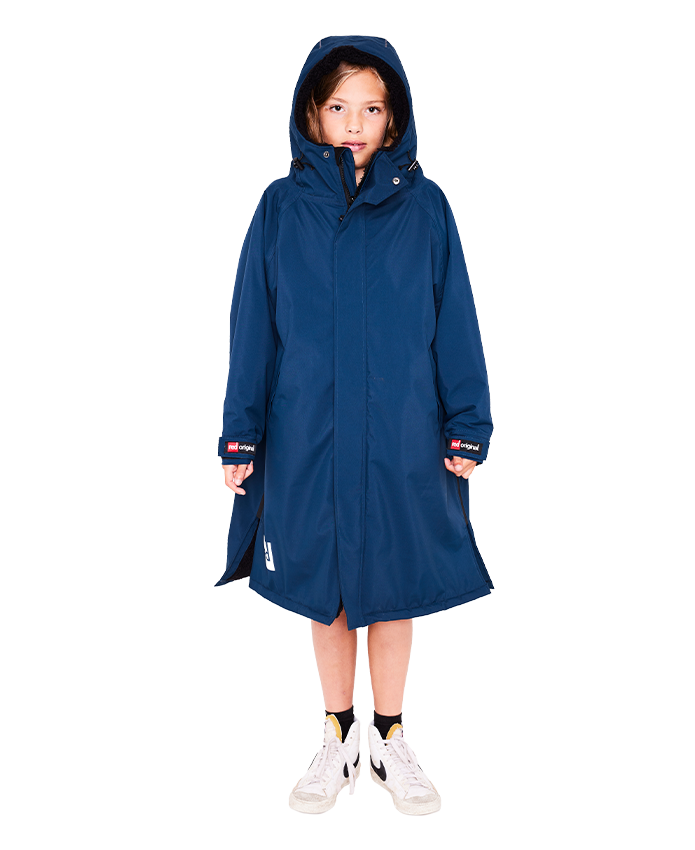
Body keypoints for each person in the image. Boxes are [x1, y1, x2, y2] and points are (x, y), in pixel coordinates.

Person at [216, 36, 493, 816]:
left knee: (394, 588)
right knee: (327, 590)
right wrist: (240, 434)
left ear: (394, 117)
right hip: (308, 434)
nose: (354, 123)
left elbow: (455, 319)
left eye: (372, 109)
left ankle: (390, 737)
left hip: (403, 433)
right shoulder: (281, 209)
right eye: (339, 107)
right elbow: (254, 327)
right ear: (311, 112)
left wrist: (467, 424)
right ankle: (338, 735)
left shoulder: (426, 208)